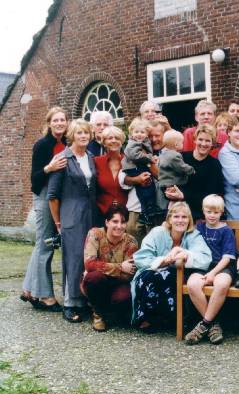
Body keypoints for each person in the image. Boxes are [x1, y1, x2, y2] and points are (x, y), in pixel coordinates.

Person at [132, 202, 212, 332]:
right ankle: (147, 318)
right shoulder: (157, 232)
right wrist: (164, 260)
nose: (180, 220)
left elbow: (205, 259)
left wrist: (185, 254)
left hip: (180, 273)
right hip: (151, 270)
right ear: (169, 219)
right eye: (176, 216)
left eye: (184, 217)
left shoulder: (193, 235)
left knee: (166, 276)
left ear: (189, 220)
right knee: (151, 276)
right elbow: (140, 258)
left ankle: (169, 319)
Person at [47, 119, 98, 323]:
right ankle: (70, 303)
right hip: (71, 215)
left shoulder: (91, 157)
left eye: (86, 133)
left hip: (91, 213)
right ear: (72, 136)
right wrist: (58, 223)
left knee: (89, 257)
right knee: (74, 258)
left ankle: (84, 300)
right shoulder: (62, 158)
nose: (83, 136)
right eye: (79, 133)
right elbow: (52, 195)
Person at [21, 106, 69, 311]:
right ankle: (45, 296)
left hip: (60, 197)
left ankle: (29, 290)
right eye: (55, 120)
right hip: (43, 196)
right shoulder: (42, 145)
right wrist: (49, 168)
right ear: (49, 124)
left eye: (63, 120)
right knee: (46, 244)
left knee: (43, 243)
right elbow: (34, 178)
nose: (59, 123)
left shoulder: (67, 143)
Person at [185, 195, 235, 345]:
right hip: (201, 267)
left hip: (222, 267)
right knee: (193, 284)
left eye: (216, 212)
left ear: (221, 212)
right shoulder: (198, 227)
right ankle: (213, 325)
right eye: (209, 211)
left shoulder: (226, 231)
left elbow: (227, 258)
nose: (212, 215)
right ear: (203, 211)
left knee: (221, 284)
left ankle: (204, 324)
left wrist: (213, 273)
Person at [81, 204, 138, 332]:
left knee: (124, 297)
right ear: (107, 222)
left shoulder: (131, 242)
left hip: (118, 284)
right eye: (115, 221)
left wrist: (100, 267)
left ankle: (111, 312)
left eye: (123, 222)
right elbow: (89, 264)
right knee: (94, 277)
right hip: (99, 280)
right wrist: (120, 267)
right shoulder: (95, 234)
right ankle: (98, 314)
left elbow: (130, 273)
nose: (119, 226)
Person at [180, 124, 225, 221]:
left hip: (202, 217)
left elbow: (211, 194)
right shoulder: (181, 158)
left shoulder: (214, 165)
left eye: (208, 141)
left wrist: (184, 195)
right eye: (200, 139)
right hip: (180, 213)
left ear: (212, 143)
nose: (203, 144)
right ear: (195, 140)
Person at [121, 118, 160, 225]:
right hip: (133, 168)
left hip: (137, 167)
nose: (139, 134)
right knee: (145, 186)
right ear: (131, 133)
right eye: (136, 132)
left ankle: (148, 210)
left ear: (147, 134)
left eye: (142, 132)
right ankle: (146, 211)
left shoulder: (144, 142)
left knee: (146, 187)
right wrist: (150, 158)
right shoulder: (132, 143)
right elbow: (134, 155)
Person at [94, 126, 127, 219]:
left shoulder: (129, 161)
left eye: (117, 138)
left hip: (125, 213)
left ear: (122, 141)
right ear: (104, 142)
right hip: (102, 213)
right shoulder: (96, 162)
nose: (114, 141)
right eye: (110, 138)